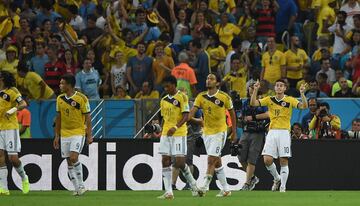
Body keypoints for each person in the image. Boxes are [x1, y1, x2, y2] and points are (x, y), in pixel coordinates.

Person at [250, 79, 308, 192]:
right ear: (274, 88)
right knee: (267, 160)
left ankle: (283, 187)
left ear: (285, 88)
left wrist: (302, 94)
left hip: (284, 132)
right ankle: (277, 178)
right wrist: (255, 90)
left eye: (281, 85)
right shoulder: (269, 99)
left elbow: (303, 106)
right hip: (272, 132)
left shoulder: (290, 100)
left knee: (283, 160)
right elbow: (253, 103)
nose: (279, 87)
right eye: (277, 85)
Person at [189, 73, 237, 197]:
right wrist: (198, 121)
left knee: (211, 159)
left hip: (220, 132)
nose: (208, 80)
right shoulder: (201, 96)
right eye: (207, 78)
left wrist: (234, 133)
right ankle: (226, 189)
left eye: (211, 79)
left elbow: (232, 115)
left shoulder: (224, 97)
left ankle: (204, 187)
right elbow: (190, 115)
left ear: (217, 83)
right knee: (217, 161)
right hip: (206, 132)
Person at [157, 75, 198, 200]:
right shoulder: (163, 100)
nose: (165, 88)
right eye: (164, 86)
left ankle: (193, 185)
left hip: (179, 133)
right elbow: (164, 118)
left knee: (180, 163)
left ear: (174, 85)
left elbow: (186, 116)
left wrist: (175, 127)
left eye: (167, 86)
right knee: (165, 160)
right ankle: (169, 192)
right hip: (166, 133)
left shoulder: (182, 97)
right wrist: (160, 131)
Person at [53, 74, 93, 196]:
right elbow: (58, 118)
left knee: (74, 158)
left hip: (78, 132)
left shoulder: (82, 98)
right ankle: (76, 188)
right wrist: (56, 135)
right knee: (68, 162)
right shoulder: (59, 98)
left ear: (69, 85)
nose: (60, 85)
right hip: (64, 133)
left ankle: (81, 185)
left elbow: (88, 117)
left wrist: (89, 135)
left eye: (62, 83)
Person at [0, 71, 30, 195]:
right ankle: (4, 188)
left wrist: (14, 109)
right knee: (0, 157)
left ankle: (24, 178)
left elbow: (23, 103)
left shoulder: (12, 91)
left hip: (10, 128)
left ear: (3, 79)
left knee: (13, 159)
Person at [238, 82, 269, 191]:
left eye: (253, 87)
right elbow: (242, 115)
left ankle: (247, 184)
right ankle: (252, 177)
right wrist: (241, 118)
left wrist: (253, 117)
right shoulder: (245, 102)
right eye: (250, 87)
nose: (251, 89)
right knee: (240, 156)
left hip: (258, 132)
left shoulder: (262, 101)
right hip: (246, 131)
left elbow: (268, 114)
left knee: (252, 158)